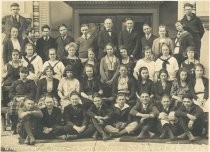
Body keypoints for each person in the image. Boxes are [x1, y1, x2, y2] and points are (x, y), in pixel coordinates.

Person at [8, 67, 37, 134]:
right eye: (22, 73)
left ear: (27, 74)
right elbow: (10, 93)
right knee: (12, 107)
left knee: (24, 105)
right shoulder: (15, 82)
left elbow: (33, 92)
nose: (24, 74)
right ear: (19, 73)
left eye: (25, 73)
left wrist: (26, 98)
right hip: (17, 99)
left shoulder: (31, 82)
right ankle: (15, 126)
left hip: (28, 98)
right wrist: (16, 98)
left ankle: (24, 126)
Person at [188, 63, 209, 137]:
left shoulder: (206, 80)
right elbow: (191, 92)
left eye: (201, 70)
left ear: (203, 71)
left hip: (205, 97)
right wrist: (198, 99)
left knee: (207, 107)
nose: (199, 72)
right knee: (198, 108)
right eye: (198, 70)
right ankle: (199, 129)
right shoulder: (191, 80)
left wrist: (204, 99)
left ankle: (207, 130)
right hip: (196, 97)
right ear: (195, 71)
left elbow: (207, 91)